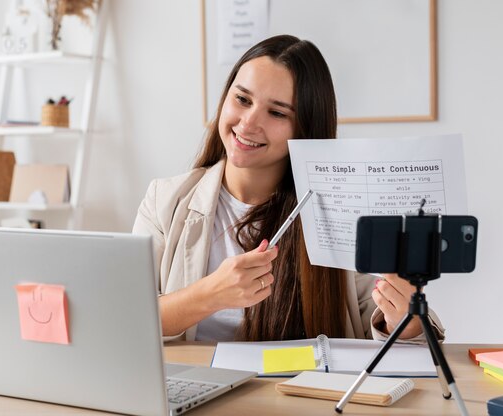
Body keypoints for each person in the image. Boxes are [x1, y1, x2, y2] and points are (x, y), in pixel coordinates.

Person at [133, 34, 444, 343]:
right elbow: (124, 316)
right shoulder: (165, 200)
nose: (249, 123)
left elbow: (380, 328)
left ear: (305, 129)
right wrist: (211, 294)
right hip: (195, 387)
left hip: (292, 391)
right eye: (242, 99)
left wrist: (404, 318)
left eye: (277, 113)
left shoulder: (337, 212)